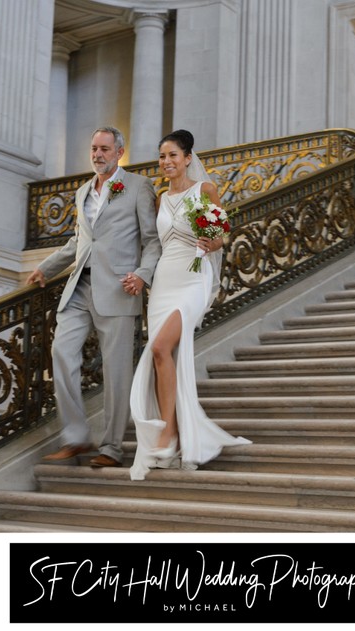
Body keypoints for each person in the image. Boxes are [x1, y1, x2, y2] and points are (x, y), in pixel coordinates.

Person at [26, 126, 160, 467]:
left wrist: (143, 276)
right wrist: (46, 266)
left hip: (118, 287)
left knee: (116, 372)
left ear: (119, 153)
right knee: (61, 351)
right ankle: (76, 436)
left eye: (104, 149)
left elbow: (151, 239)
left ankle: (112, 448)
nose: (97, 154)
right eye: (94, 149)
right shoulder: (83, 190)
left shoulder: (138, 187)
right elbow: (79, 241)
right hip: (79, 286)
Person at [129, 129, 249, 479]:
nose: (166, 162)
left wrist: (214, 243)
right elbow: (154, 243)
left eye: (172, 156)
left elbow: (221, 235)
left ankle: (168, 433)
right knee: (161, 354)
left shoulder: (204, 191)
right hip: (165, 279)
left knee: (161, 347)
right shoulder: (160, 199)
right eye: (162, 157)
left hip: (193, 278)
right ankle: (175, 434)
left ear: (187, 157)